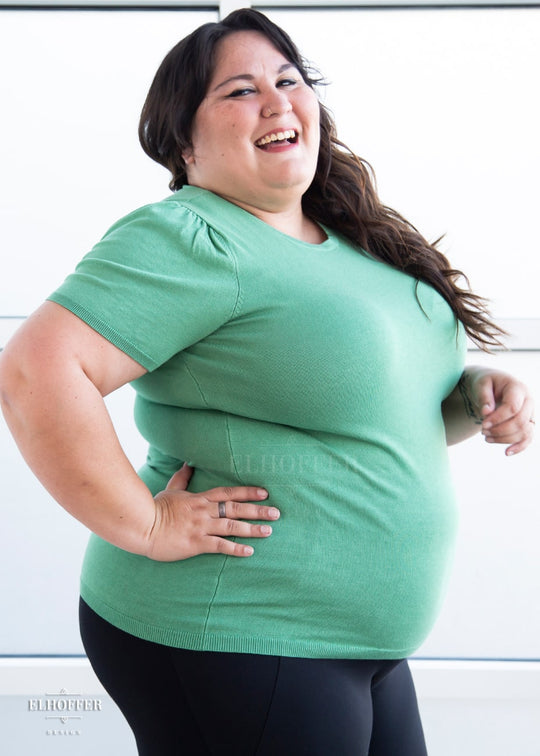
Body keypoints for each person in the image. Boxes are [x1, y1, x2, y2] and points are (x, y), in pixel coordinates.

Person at [0, 8, 535, 755]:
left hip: (356, 645)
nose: (278, 100)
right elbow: (35, 369)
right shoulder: (194, 235)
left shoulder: (353, 243)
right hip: (238, 629)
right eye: (241, 90)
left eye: (290, 80)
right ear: (182, 140)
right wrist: (145, 524)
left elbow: (369, 410)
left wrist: (475, 393)